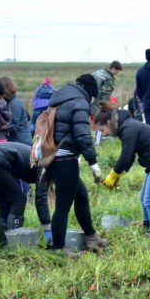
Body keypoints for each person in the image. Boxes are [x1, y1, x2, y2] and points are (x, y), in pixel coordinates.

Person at [46, 74, 107, 252]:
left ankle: (91, 236)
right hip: (65, 159)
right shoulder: (79, 102)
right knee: (63, 206)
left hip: (54, 157)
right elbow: (82, 135)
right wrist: (93, 162)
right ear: (90, 93)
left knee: (80, 195)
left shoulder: (61, 98)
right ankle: (59, 248)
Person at [100, 109, 150, 231]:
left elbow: (126, 156)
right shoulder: (127, 126)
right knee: (143, 198)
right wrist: (116, 176)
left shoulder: (128, 128)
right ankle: (147, 225)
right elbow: (130, 157)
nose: (104, 134)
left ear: (109, 123)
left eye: (102, 130)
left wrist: (112, 175)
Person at [0, 141, 44, 247]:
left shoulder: (40, 160)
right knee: (19, 199)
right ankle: (14, 242)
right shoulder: (44, 165)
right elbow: (41, 198)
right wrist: (47, 227)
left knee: (4, 203)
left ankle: (4, 244)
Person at [91, 61, 122, 144]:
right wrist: (106, 107)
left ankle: (96, 139)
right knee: (102, 121)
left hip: (90, 101)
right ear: (114, 68)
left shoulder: (98, 72)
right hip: (98, 104)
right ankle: (98, 141)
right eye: (117, 71)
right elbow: (105, 95)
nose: (117, 73)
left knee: (94, 122)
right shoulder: (108, 78)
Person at [0, 76, 31, 145]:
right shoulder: (13, 101)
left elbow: (13, 127)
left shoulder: (14, 104)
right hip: (19, 141)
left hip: (21, 143)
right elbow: (28, 117)